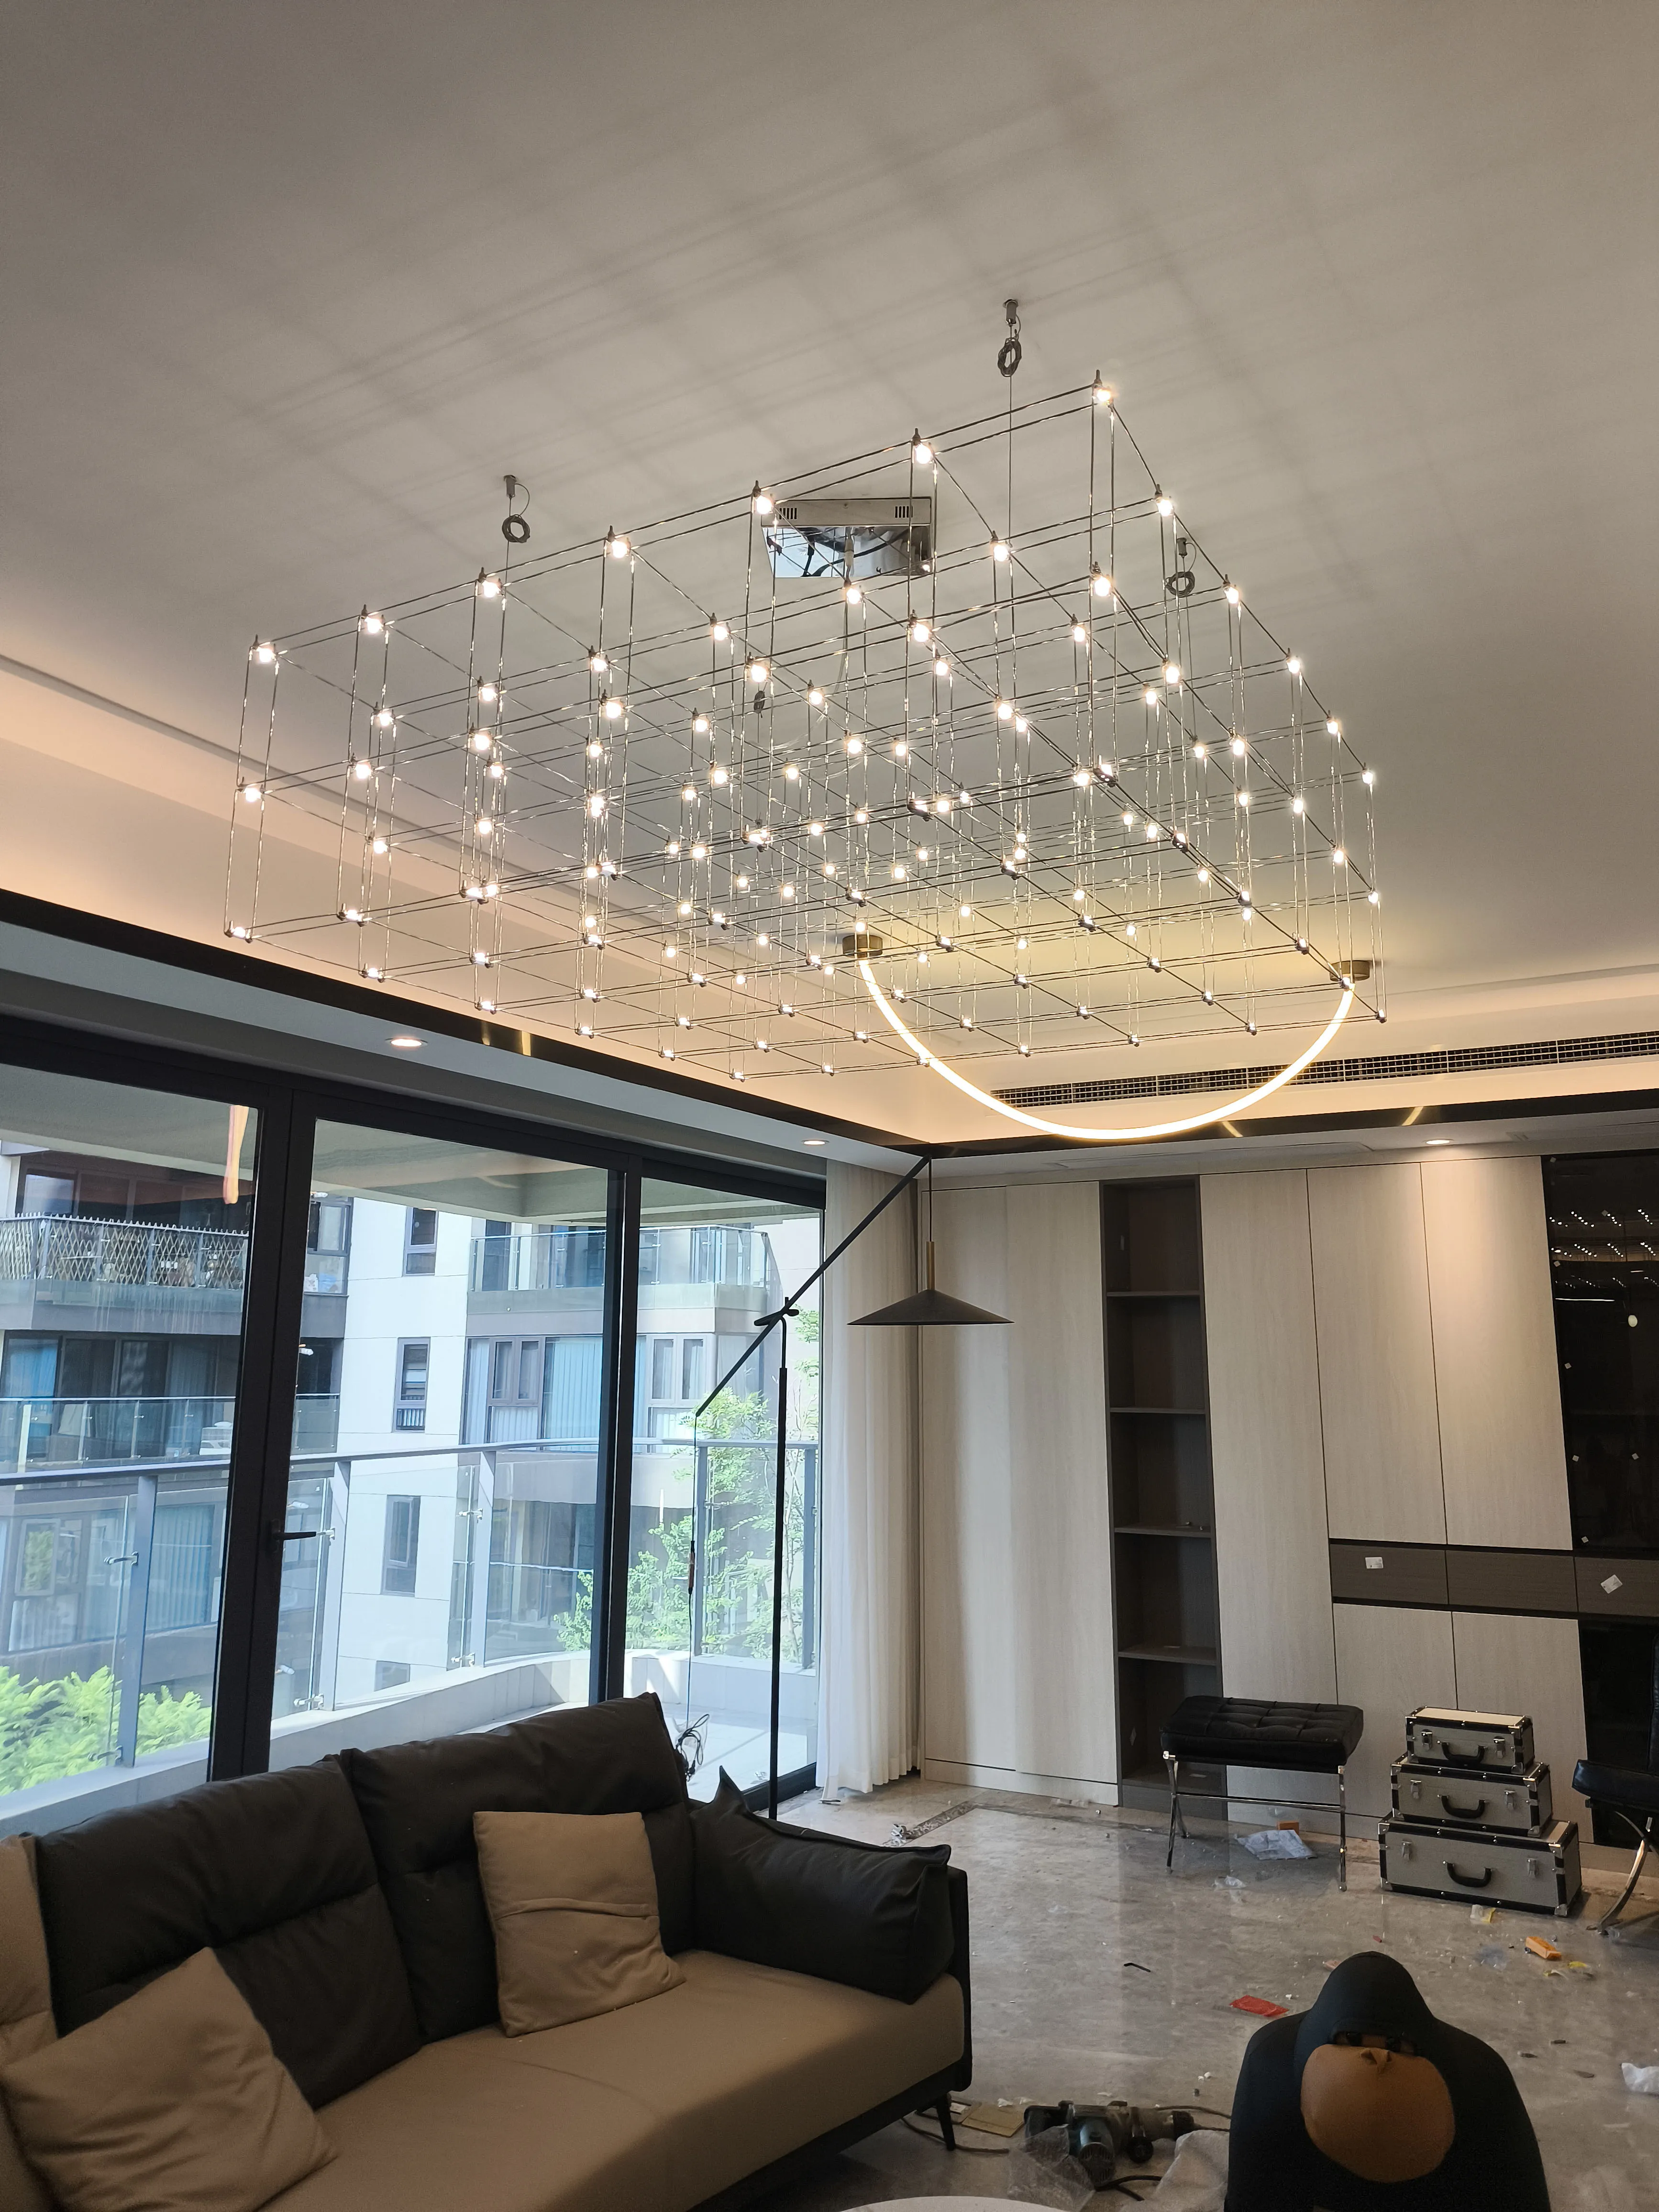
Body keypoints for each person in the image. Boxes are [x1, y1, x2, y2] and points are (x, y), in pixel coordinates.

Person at [1225, 1951, 1548, 2210]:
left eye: (1394, 2047)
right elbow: (1253, 2192)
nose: (1377, 2061)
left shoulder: (1479, 2078)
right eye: (1353, 2040)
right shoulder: (1270, 2063)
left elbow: (1518, 2192)